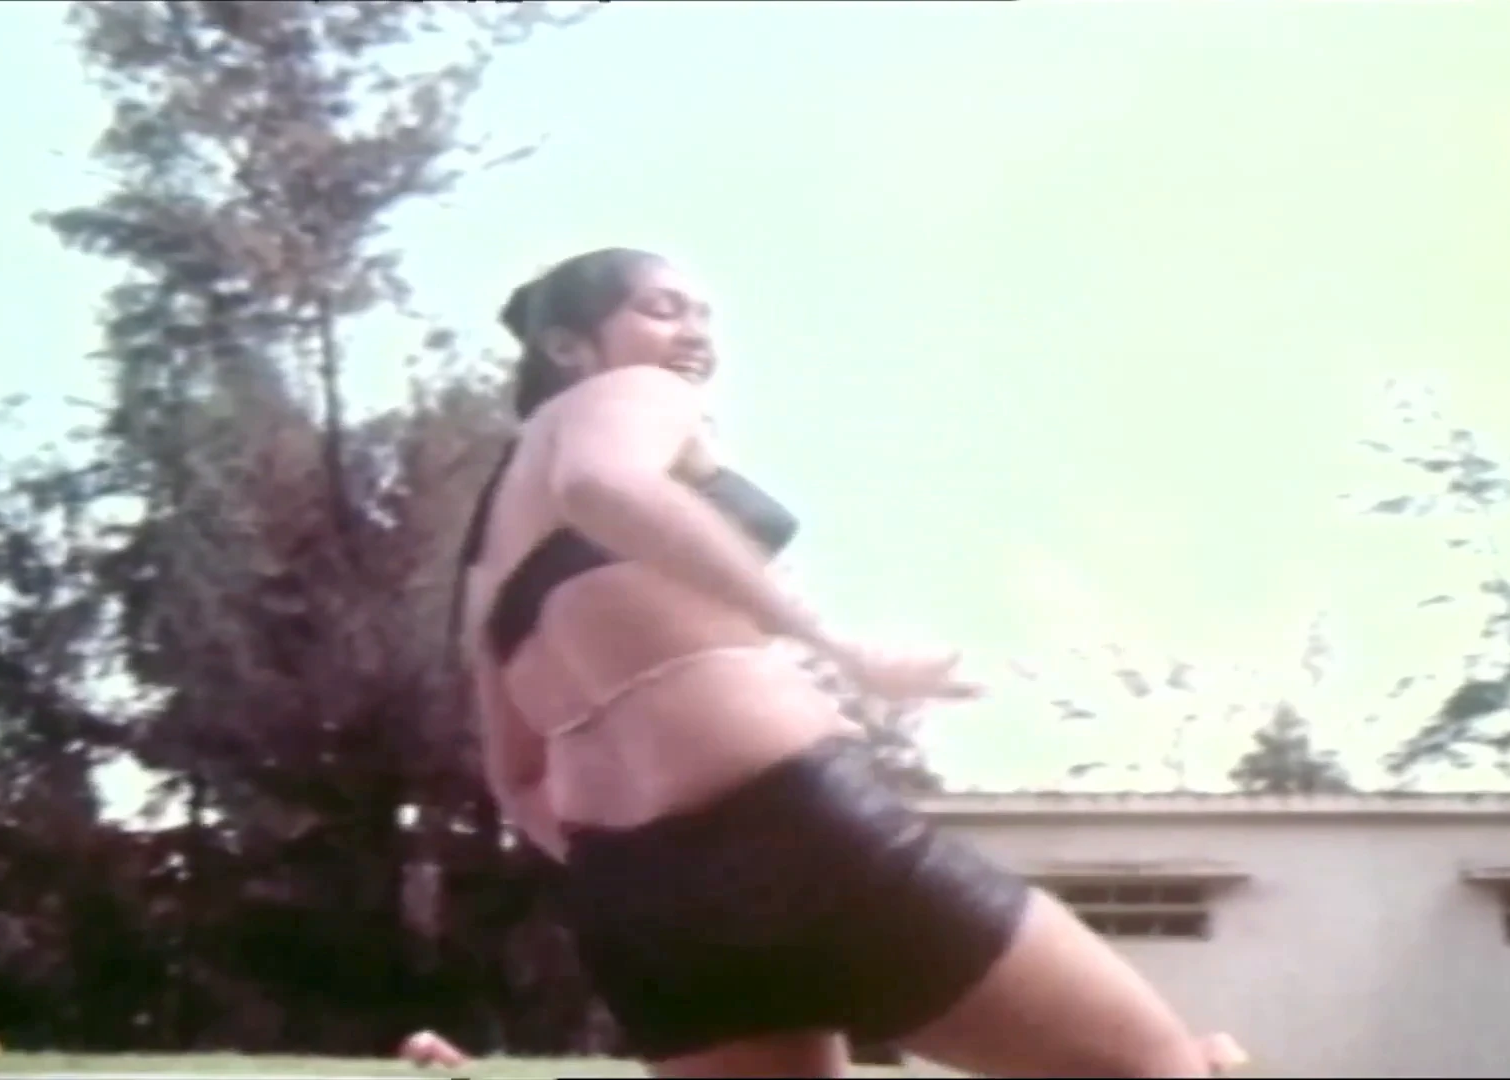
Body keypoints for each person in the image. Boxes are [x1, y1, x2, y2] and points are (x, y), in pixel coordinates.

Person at [451, 248, 1219, 1078]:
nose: (696, 334)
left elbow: (518, 777)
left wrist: (662, 882)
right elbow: (602, 485)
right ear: (568, 346)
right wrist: (832, 644)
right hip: (791, 828)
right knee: (1156, 1068)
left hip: (635, 900)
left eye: (704, 315)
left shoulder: (485, 550)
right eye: (663, 310)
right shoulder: (632, 391)